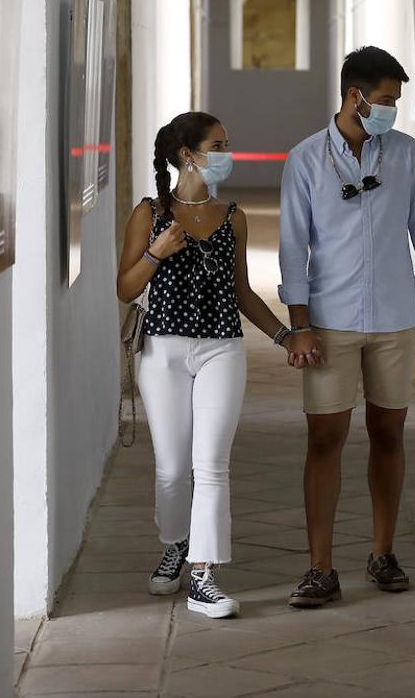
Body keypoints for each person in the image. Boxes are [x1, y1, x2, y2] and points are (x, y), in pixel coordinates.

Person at [279, 46, 415, 609]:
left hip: (394, 319)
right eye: (385, 101)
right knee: (325, 439)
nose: (391, 111)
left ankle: (382, 552)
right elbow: (291, 248)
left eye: (395, 103)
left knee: (389, 433)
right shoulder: (306, 160)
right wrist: (298, 326)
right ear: (354, 96)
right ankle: (320, 566)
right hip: (329, 322)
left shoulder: (403, 155)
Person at [116, 111, 299, 619]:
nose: (226, 153)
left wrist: (284, 334)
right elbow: (125, 288)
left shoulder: (233, 216)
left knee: (211, 465)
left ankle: (204, 574)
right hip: (164, 353)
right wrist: (157, 251)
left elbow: (242, 291)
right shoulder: (150, 214)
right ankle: (175, 544)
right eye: (217, 145)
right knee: (173, 469)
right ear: (188, 156)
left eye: (227, 143)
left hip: (222, 349)